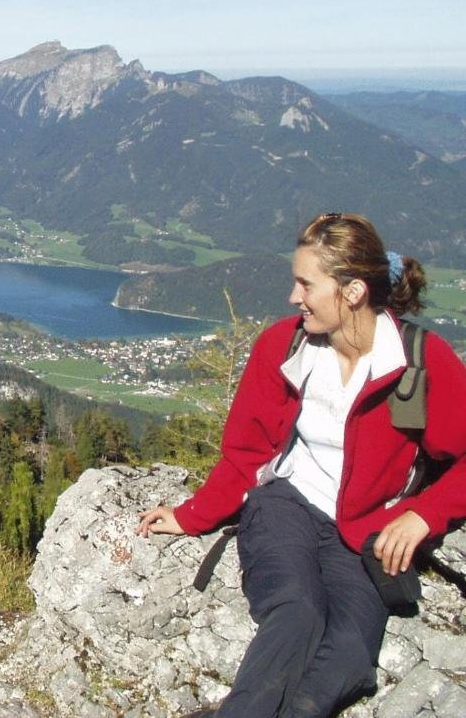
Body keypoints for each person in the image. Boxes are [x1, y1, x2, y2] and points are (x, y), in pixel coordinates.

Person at [135, 213, 466, 718]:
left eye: (306, 284)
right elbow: (247, 453)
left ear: (352, 291)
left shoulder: (419, 362)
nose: (294, 297)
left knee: (349, 655)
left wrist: (424, 514)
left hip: (364, 531)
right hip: (286, 505)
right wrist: (192, 515)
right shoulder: (285, 347)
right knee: (296, 613)